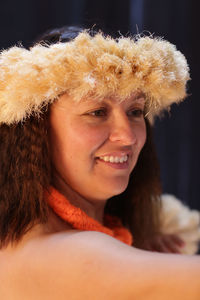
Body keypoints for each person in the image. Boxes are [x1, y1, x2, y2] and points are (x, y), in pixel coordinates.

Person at [0, 26, 199, 299]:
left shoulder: (125, 235)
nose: (127, 136)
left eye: (135, 111)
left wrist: (137, 254)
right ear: (38, 127)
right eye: (97, 112)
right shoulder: (65, 256)